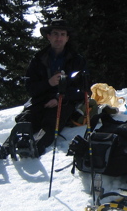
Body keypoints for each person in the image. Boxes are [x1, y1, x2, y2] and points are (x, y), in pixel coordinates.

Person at [16, 19, 88, 155]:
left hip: (64, 102)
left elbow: (83, 89)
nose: (58, 38)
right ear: (48, 36)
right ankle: (8, 146)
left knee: (51, 122)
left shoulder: (77, 60)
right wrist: (48, 83)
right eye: (55, 34)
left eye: (62, 34)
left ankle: (36, 147)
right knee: (27, 120)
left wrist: (60, 97)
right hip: (40, 100)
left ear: (67, 38)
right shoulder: (38, 59)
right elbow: (30, 87)